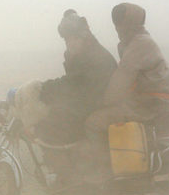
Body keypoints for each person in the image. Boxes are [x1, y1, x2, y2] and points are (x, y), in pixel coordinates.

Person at [85, 3, 169, 168]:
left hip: (147, 106)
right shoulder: (140, 41)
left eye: (119, 23)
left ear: (128, 24)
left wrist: (103, 102)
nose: (117, 28)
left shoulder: (138, 45)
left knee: (93, 122)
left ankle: (102, 172)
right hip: (151, 102)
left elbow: (121, 80)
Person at [35, 9, 117, 146]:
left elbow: (72, 84)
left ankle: (63, 166)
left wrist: (41, 89)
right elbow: (73, 85)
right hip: (89, 102)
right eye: (67, 39)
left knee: (50, 125)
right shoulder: (81, 54)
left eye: (75, 38)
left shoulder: (94, 56)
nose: (70, 43)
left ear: (84, 36)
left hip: (97, 105)